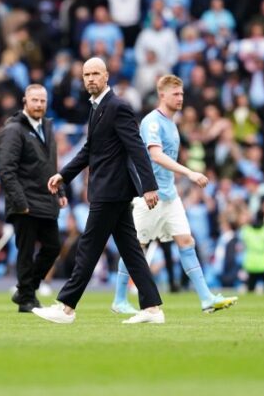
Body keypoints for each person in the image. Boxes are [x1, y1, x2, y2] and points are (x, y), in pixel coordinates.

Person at [33, 57, 164, 324]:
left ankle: (66, 307)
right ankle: (153, 309)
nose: (90, 78)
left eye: (95, 73)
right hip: (108, 189)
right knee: (130, 250)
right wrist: (64, 175)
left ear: (106, 76)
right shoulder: (97, 108)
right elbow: (89, 151)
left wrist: (150, 186)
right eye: (86, 74)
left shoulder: (118, 107)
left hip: (111, 190)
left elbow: (136, 147)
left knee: (88, 247)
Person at [112, 74, 238, 314]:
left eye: (182, 94)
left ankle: (206, 298)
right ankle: (119, 299)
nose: (181, 98)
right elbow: (156, 155)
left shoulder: (171, 123)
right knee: (135, 245)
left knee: (186, 242)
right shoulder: (152, 122)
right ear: (162, 95)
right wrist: (189, 173)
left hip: (170, 196)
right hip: (150, 195)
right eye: (176, 94)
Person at [0, 84, 68, 313]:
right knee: (25, 251)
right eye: (34, 100)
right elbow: (6, 169)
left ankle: (25, 290)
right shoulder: (14, 130)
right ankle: (27, 298)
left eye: (42, 100)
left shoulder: (47, 125)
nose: (39, 104)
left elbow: (51, 164)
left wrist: (61, 191)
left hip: (46, 198)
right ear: (24, 101)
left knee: (53, 247)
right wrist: (20, 202)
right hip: (25, 200)